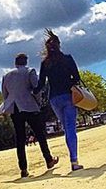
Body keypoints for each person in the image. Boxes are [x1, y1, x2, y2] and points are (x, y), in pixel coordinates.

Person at [1, 52, 59, 178]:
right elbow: (37, 88)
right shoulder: (30, 71)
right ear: (26, 62)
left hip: (15, 108)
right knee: (40, 134)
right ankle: (48, 159)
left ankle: (23, 169)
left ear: (16, 63)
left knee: (20, 140)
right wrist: (37, 103)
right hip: (29, 106)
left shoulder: (6, 75)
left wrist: (9, 107)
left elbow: (5, 95)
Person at [36, 30, 84, 171]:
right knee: (70, 129)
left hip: (54, 99)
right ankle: (74, 161)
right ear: (59, 45)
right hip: (68, 96)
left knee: (65, 127)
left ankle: (74, 159)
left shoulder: (45, 63)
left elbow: (40, 84)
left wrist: (31, 92)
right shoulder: (67, 59)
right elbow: (76, 77)